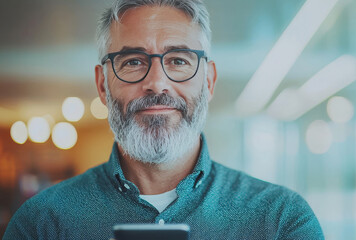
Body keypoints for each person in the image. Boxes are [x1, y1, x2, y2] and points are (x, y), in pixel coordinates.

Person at [4, 0, 324, 239]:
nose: (157, 82)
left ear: (209, 81)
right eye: (132, 62)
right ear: (102, 85)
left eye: (178, 60)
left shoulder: (282, 220)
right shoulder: (40, 224)